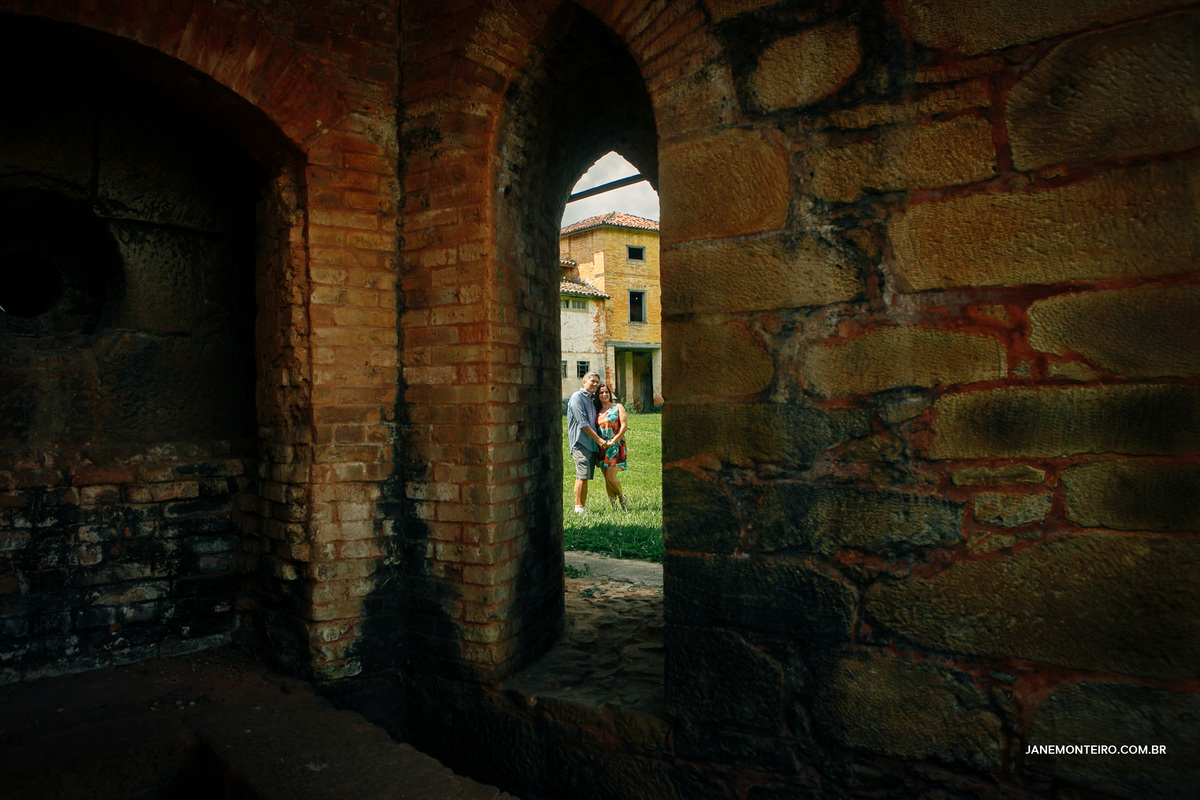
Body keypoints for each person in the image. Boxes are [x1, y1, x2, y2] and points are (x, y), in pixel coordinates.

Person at [566, 372, 609, 515]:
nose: (595, 384)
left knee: (585, 477)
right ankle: (579, 508)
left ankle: (581, 506)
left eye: (597, 381)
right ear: (584, 382)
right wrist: (598, 439)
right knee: (582, 476)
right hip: (581, 443)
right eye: (592, 381)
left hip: (591, 444)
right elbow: (582, 423)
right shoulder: (576, 397)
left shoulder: (591, 400)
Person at [594, 383, 629, 510]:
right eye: (601, 393)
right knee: (607, 480)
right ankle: (614, 508)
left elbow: (624, 426)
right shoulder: (596, 411)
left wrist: (614, 441)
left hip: (616, 445)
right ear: (598, 396)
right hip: (602, 447)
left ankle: (622, 499)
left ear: (610, 394)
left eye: (606, 392)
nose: (604, 394)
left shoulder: (618, 407)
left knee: (610, 478)